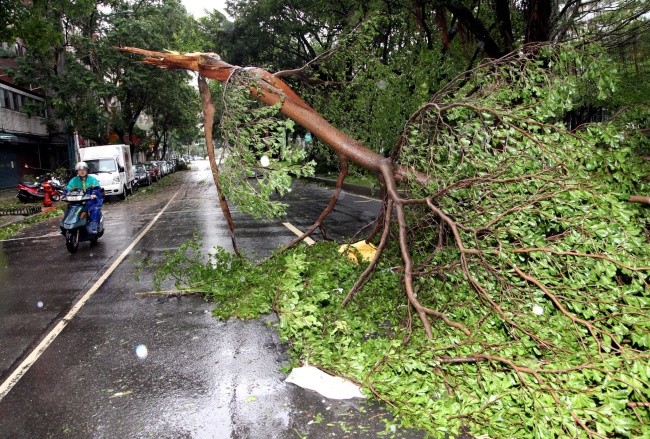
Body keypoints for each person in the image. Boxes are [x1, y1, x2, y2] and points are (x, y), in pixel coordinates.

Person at [66, 161, 103, 234]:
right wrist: (64, 195)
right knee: (69, 210)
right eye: (80, 170)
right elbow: (68, 190)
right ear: (77, 171)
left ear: (87, 170)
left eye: (84, 170)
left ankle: (93, 228)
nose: (82, 172)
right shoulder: (73, 181)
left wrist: (93, 194)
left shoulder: (92, 179)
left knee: (95, 210)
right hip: (77, 202)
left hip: (90, 202)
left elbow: (97, 189)